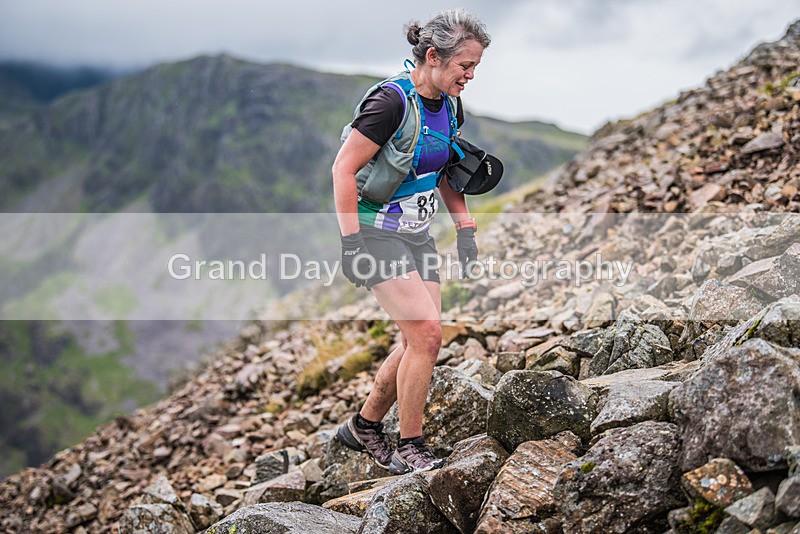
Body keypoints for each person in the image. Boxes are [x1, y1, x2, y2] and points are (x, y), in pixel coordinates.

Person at [332, 9, 491, 474]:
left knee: (416, 338)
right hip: (373, 231)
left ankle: (363, 426)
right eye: (466, 65)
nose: (471, 75)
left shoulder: (451, 104)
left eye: (477, 67)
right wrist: (350, 244)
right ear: (433, 56)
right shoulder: (390, 103)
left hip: (416, 235)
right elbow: (342, 170)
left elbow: (447, 170)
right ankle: (411, 443)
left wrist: (464, 228)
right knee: (427, 335)